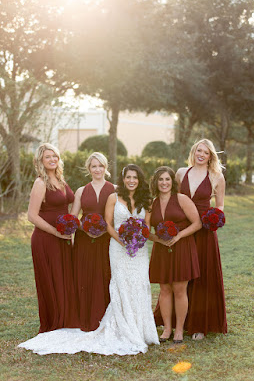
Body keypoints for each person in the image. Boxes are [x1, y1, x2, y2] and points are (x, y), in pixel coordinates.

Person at [18, 164, 159, 355]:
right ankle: (120, 325)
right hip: (116, 246)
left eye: (135, 177)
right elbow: (103, 221)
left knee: (139, 285)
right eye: (128, 177)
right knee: (119, 285)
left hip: (138, 251)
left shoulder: (142, 199)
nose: (131, 180)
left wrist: (144, 238)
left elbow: (147, 227)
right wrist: (117, 239)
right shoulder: (108, 195)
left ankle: (141, 328)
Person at [19, 143, 79, 334]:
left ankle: (67, 319)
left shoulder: (61, 180)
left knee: (64, 278)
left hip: (63, 237)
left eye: (55, 156)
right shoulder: (40, 183)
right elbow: (32, 216)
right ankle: (54, 321)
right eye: (48, 157)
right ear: (40, 161)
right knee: (51, 279)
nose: (52, 159)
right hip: (46, 239)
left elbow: (73, 204)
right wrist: (56, 232)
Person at [176, 139, 227, 340]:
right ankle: (179, 322)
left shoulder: (216, 176)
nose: (201, 154)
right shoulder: (181, 173)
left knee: (202, 275)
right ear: (193, 151)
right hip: (184, 228)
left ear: (210, 156)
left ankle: (199, 324)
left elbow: (221, 205)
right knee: (182, 275)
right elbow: (174, 198)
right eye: (199, 150)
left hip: (205, 231)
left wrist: (215, 217)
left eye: (206, 152)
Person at [148, 166, 201, 344]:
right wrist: (159, 239)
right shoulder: (151, 203)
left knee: (179, 289)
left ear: (173, 182)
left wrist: (178, 235)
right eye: (160, 179)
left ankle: (179, 329)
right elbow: (146, 231)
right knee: (164, 289)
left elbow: (197, 223)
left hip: (182, 248)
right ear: (155, 182)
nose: (164, 183)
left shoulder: (181, 199)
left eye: (167, 179)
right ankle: (167, 328)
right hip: (161, 250)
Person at [71, 152, 115, 331]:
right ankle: (84, 316)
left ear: (106, 168)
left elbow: (118, 217)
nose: (98, 169)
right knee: (85, 276)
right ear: (89, 168)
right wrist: (86, 228)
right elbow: (73, 217)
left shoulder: (115, 189)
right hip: (84, 239)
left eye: (101, 166)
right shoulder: (81, 190)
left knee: (104, 275)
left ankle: (104, 317)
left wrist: (103, 229)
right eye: (94, 166)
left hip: (106, 240)